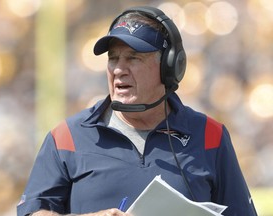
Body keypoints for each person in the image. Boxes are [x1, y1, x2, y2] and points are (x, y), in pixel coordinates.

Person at [17, 6, 258, 216]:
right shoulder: (66, 137)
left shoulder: (209, 136)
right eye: (113, 59)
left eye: (133, 58)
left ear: (169, 68)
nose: (119, 69)